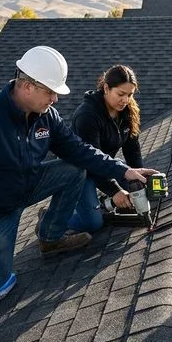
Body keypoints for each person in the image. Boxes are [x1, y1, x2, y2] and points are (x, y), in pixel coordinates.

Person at [0, 46, 156, 312]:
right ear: (28, 86)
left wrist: (123, 170)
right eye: (50, 92)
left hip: (27, 185)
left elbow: (78, 150)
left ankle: (51, 238)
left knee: (74, 169)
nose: (55, 99)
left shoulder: (46, 116)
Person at [67, 64, 143, 232]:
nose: (125, 100)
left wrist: (140, 180)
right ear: (106, 88)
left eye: (130, 95)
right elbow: (91, 161)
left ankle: (102, 203)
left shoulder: (128, 111)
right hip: (80, 172)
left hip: (105, 166)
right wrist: (115, 190)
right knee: (93, 224)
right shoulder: (87, 115)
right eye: (121, 94)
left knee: (138, 195)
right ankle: (50, 218)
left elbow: (133, 151)